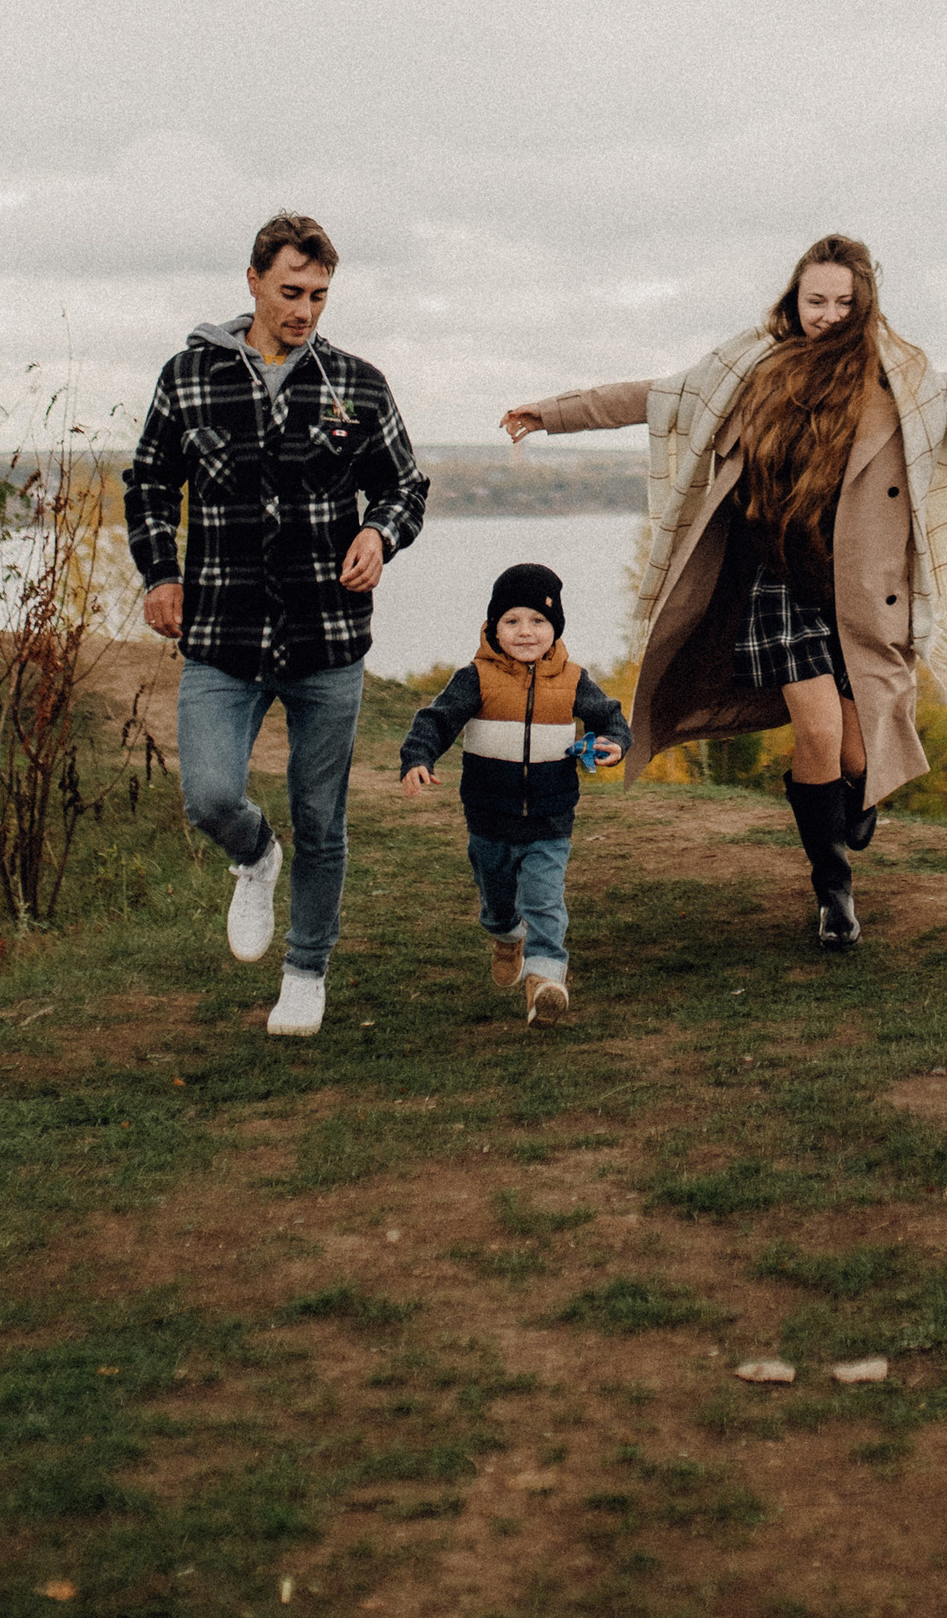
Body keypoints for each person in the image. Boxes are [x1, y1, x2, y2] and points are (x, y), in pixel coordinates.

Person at [501, 235, 947, 951]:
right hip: (773, 579)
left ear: (864, 304)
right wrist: (550, 413)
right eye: (816, 300)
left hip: (860, 591)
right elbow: (654, 396)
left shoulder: (903, 381)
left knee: (854, 752)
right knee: (815, 730)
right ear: (795, 298)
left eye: (845, 303)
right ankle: (834, 892)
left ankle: (853, 801)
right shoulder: (752, 368)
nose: (829, 315)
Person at [124, 212, 425, 1038]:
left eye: (320, 295)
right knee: (212, 793)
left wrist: (379, 532)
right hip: (222, 635)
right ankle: (254, 856)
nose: (305, 309)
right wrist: (160, 573)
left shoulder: (356, 385)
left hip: (328, 640)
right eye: (291, 291)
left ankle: (305, 972)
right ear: (252, 281)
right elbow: (148, 483)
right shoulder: (187, 376)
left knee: (323, 818)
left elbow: (405, 486)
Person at [396, 559, 631, 1026]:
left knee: (545, 900)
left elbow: (610, 720)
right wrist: (418, 758)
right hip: (489, 817)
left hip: (550, 818)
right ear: (493, 628)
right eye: (512, 621)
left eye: (538, 621)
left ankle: (545, 980)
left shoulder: (572, 679)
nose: (526, 632)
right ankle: (505, 936)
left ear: (555, 627)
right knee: (498, 898)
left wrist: (613, 746)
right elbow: (436, 720)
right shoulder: (475, 678)